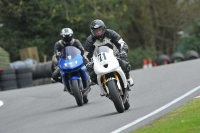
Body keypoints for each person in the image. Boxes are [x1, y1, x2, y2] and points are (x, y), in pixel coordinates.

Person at [84, 19, 134, 91]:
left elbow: (122, 43)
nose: (98, 32)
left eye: (99, 30)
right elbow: (85, 55)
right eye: (95, 31)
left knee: (125, 64)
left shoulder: (110, 33)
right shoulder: (90, 40)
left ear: (103, 29)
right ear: (92, 32)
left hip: (114, 55)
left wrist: (123, 51)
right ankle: (102, 86)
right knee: (92, 75)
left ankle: (128, 77)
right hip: (99, 60)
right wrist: (87, 63)